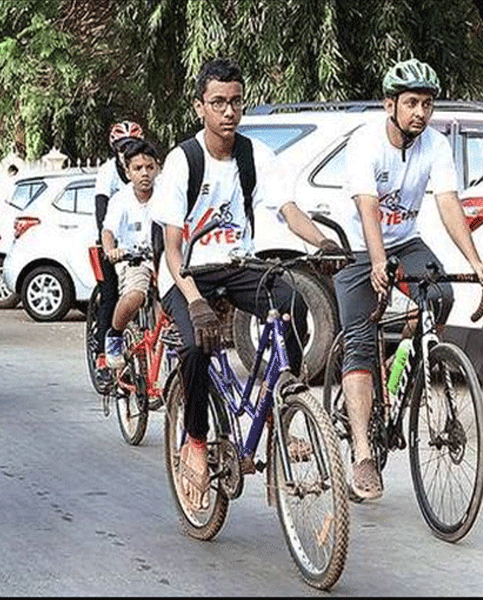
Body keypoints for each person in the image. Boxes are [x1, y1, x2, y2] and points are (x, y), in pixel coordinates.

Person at [151, 57, 344, 511]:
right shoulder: (183, 161)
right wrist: (195, 301)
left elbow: (288, 210)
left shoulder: (255, 155)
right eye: (218, 102)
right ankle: (196, 440)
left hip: (237, 265)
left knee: (293, 303)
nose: (229, 111)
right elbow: (173, 250)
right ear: (200, 107)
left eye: (236, 102)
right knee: (197, 346)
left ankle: (279, 405)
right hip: (187, 272)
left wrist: (323, 243)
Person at [334, 58, 483, 500]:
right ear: (390, 105)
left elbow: (448, 204)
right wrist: (378, 261)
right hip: (363, 247)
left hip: (406, 242)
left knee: (439, 295)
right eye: (412, 103)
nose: (421, 112)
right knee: (360, 342)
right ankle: (363, 452)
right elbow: (367, 206)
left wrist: (475, 263)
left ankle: (405, 353)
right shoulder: (366, 144)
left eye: (428, 104)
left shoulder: (435, 145)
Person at [93, 120, 145, 386]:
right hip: (116, 244)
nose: (128, 151)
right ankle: (105, 354)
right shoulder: (107, 173)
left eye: (132, 146)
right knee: (110, 295)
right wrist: (109, 247)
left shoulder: (149, 175)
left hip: (144, 245)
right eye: (123, 147)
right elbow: (103, 214)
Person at [101, 139, 161, 369]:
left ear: (157, 168)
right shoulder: (121, 199)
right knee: (136, 295)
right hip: (134, 260)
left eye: (149, 167)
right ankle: (114, 335)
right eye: (137, 168)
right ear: (127, 172)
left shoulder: (167, 194)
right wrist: (111, 251)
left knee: (174, 306)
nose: (144, 173)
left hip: (163, 259)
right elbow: (108, 231)